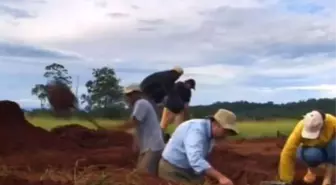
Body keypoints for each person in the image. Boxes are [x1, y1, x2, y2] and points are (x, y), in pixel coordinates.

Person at [158, 109, 238, 185]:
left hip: (189, 171)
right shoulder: (197, 131)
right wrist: (221, 177)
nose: (225, 136)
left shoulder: (210, 135)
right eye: (225, 132)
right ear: (217, 125)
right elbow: (195, 159)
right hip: (173, 170)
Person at [116, 83, 165, 176]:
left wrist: (113, 130)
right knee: (140, 174)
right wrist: (136, 143)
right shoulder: (139, 105)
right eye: (127, 95)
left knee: (144, 175)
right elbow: (136, 128)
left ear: (138, 94)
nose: (128, 97)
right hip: (147, 146)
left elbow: (133, 122)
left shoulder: (141, 103)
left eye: (131, 95)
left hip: (153, 146)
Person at [277, 110, 336, 185]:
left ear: (323, 124)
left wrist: (327, 179)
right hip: (309, 150)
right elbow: (287, 152)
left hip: (328, 147)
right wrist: (285, 180)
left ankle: (327, 178)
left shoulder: (332, 122)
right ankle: (311, 170)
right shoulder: (300, 127)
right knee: (312, 155)